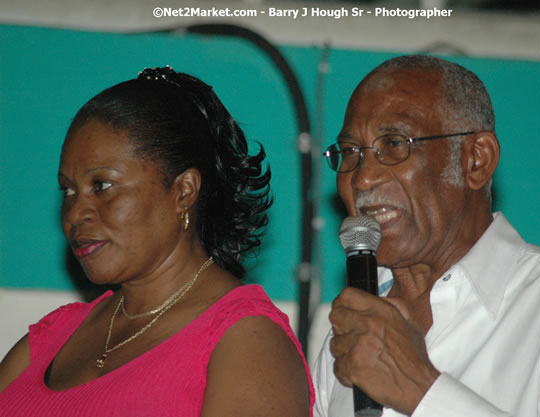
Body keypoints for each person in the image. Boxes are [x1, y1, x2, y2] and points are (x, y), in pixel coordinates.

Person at [313, 55, 540, 417]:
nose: (363, 178)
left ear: (475, 160)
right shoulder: (350, 331)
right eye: (351, 151)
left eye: (395, 144)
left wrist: (419, 388)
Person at [0, 66, 313, 416]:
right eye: (68, 191)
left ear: (183, 191)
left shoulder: (246, 342)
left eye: (101, 186)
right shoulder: (52, 336)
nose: (74, 214)